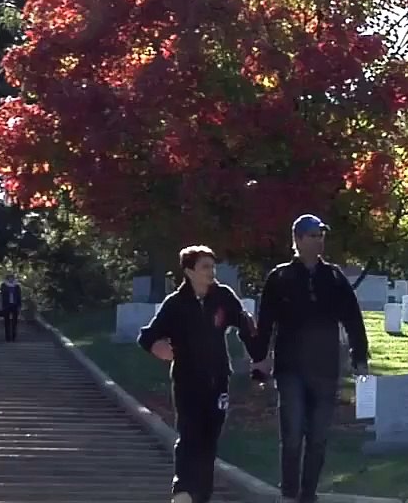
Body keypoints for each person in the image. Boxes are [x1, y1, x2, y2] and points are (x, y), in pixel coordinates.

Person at [249, 214, 370, 503]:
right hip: (290, 367)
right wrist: (259, 360)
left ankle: (308, 494)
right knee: (292, 434)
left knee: (318, 437)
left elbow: (352, 318)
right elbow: (266, 323)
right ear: (299, 239)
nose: (319, 241)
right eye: (314, 235)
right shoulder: (280, 278)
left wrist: (359, 355)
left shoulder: (334, 277)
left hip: (325, 368)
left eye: (321, 235)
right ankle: (289, 493)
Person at [138, 245, 256, 503]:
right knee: (190, 433)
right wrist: (158, 347)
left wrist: (258, 355)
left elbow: (244, 325)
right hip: (187, 379)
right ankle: (182, 489)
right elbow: (147, 336)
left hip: (218, 378)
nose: (211, 272)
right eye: (205, 267)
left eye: (213, 267)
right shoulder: (175, 304)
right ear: (189, 271)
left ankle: (201, 495)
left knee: (209, 438)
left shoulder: (223, 296)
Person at [0, 273, 23, 342]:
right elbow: (2, 295)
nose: (11, 279)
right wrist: (1, 306)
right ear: (7, 279)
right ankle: (7, 337)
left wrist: (19, 306)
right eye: (10, 278)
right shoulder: (4, 285)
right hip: (7, 305)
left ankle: (13, 336)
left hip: (14, 305)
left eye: (12, 278)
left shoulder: (17, 286)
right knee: (6, 322)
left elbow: (19, 296)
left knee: (14, 322)